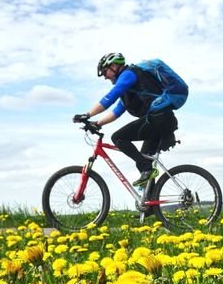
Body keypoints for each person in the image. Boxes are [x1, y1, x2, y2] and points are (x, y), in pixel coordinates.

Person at [73, 53, 185, 187]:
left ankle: (147, 170)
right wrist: (97, 123)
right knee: (143, 160)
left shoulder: (129, 74)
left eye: (105, 71)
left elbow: (111, 96)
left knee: (118, 138)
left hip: (158, 119)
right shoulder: (130, 89)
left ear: (114, 66)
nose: (105, 76)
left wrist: (88, 114)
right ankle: (149, 203)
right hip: (162, 120)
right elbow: (117, 111)